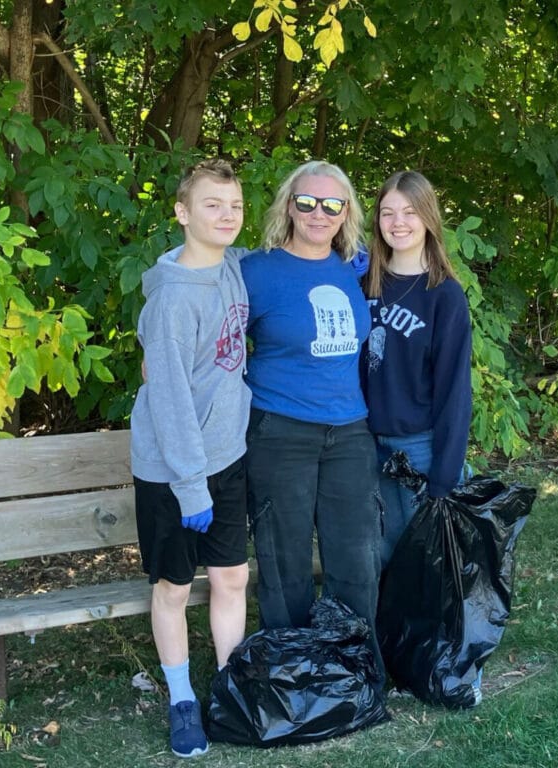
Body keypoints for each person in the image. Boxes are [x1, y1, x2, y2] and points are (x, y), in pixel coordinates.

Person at [241, 160, 384, 682]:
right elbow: (201, 304)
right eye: (306, 202)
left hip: (350, 432)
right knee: (285, 558)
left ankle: (351, 670)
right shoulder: (256, 271)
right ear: (288, 206)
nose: (318, 213)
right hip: (280, 431)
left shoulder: (358, 266)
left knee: (355, 556)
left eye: (332, 204)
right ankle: (292, 671)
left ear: (346, 213)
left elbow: (421, 263)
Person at [130, 158, 251, 758]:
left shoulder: (229, 265)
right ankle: (182, 700)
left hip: (225, 455)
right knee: (174, 586)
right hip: (174, 471)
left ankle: (229, 690)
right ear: (181, 213)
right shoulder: (175, 300)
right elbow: (171, 401)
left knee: (231, 577)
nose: (226, 216)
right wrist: (191, 485)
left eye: (234, 206)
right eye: (212, 205)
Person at [362, 170, 473, 569]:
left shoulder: (444, 296)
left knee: (426, 567)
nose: (398, 223)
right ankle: (386, 634)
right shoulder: (364, 283)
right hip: (366, 446)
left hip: (421, 450)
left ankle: (428, 636)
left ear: (428, 217)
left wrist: (443, 477)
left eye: (409, 212)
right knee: (379, 560)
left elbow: (455, 394)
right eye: (387, 212)